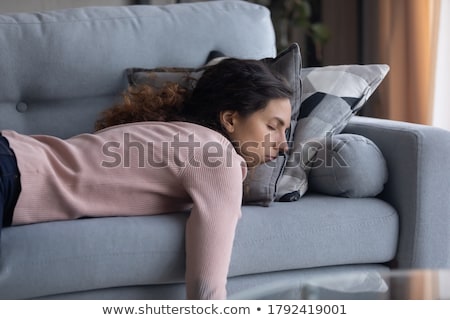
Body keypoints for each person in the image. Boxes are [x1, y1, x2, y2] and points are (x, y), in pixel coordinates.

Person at [0, 58, 292, 299]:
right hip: (11, 173)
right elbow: (206, 289)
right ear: (230, 119)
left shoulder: (174, 133)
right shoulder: (220, 159)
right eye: (272, 127)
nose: (283, 145)